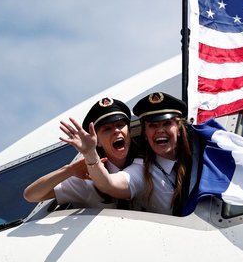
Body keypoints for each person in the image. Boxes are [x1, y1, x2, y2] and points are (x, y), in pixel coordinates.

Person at [59, 92, 198, 216]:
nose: (160, 130)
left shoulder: (201, 156)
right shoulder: (143, 170)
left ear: (179, 128)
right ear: (145, 133)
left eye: (167, 123)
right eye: (153, 125)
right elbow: (109, 184)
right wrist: (90, 154)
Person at [23, 97, 137, 209]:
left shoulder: (145, 164)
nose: (116, 131)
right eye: (107, 129)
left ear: (129, 131)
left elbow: (110, 185)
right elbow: (31, 195)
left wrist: (91, 157)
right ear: (98, 142)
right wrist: (70, 170)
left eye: (120, 125)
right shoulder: (86, 179)